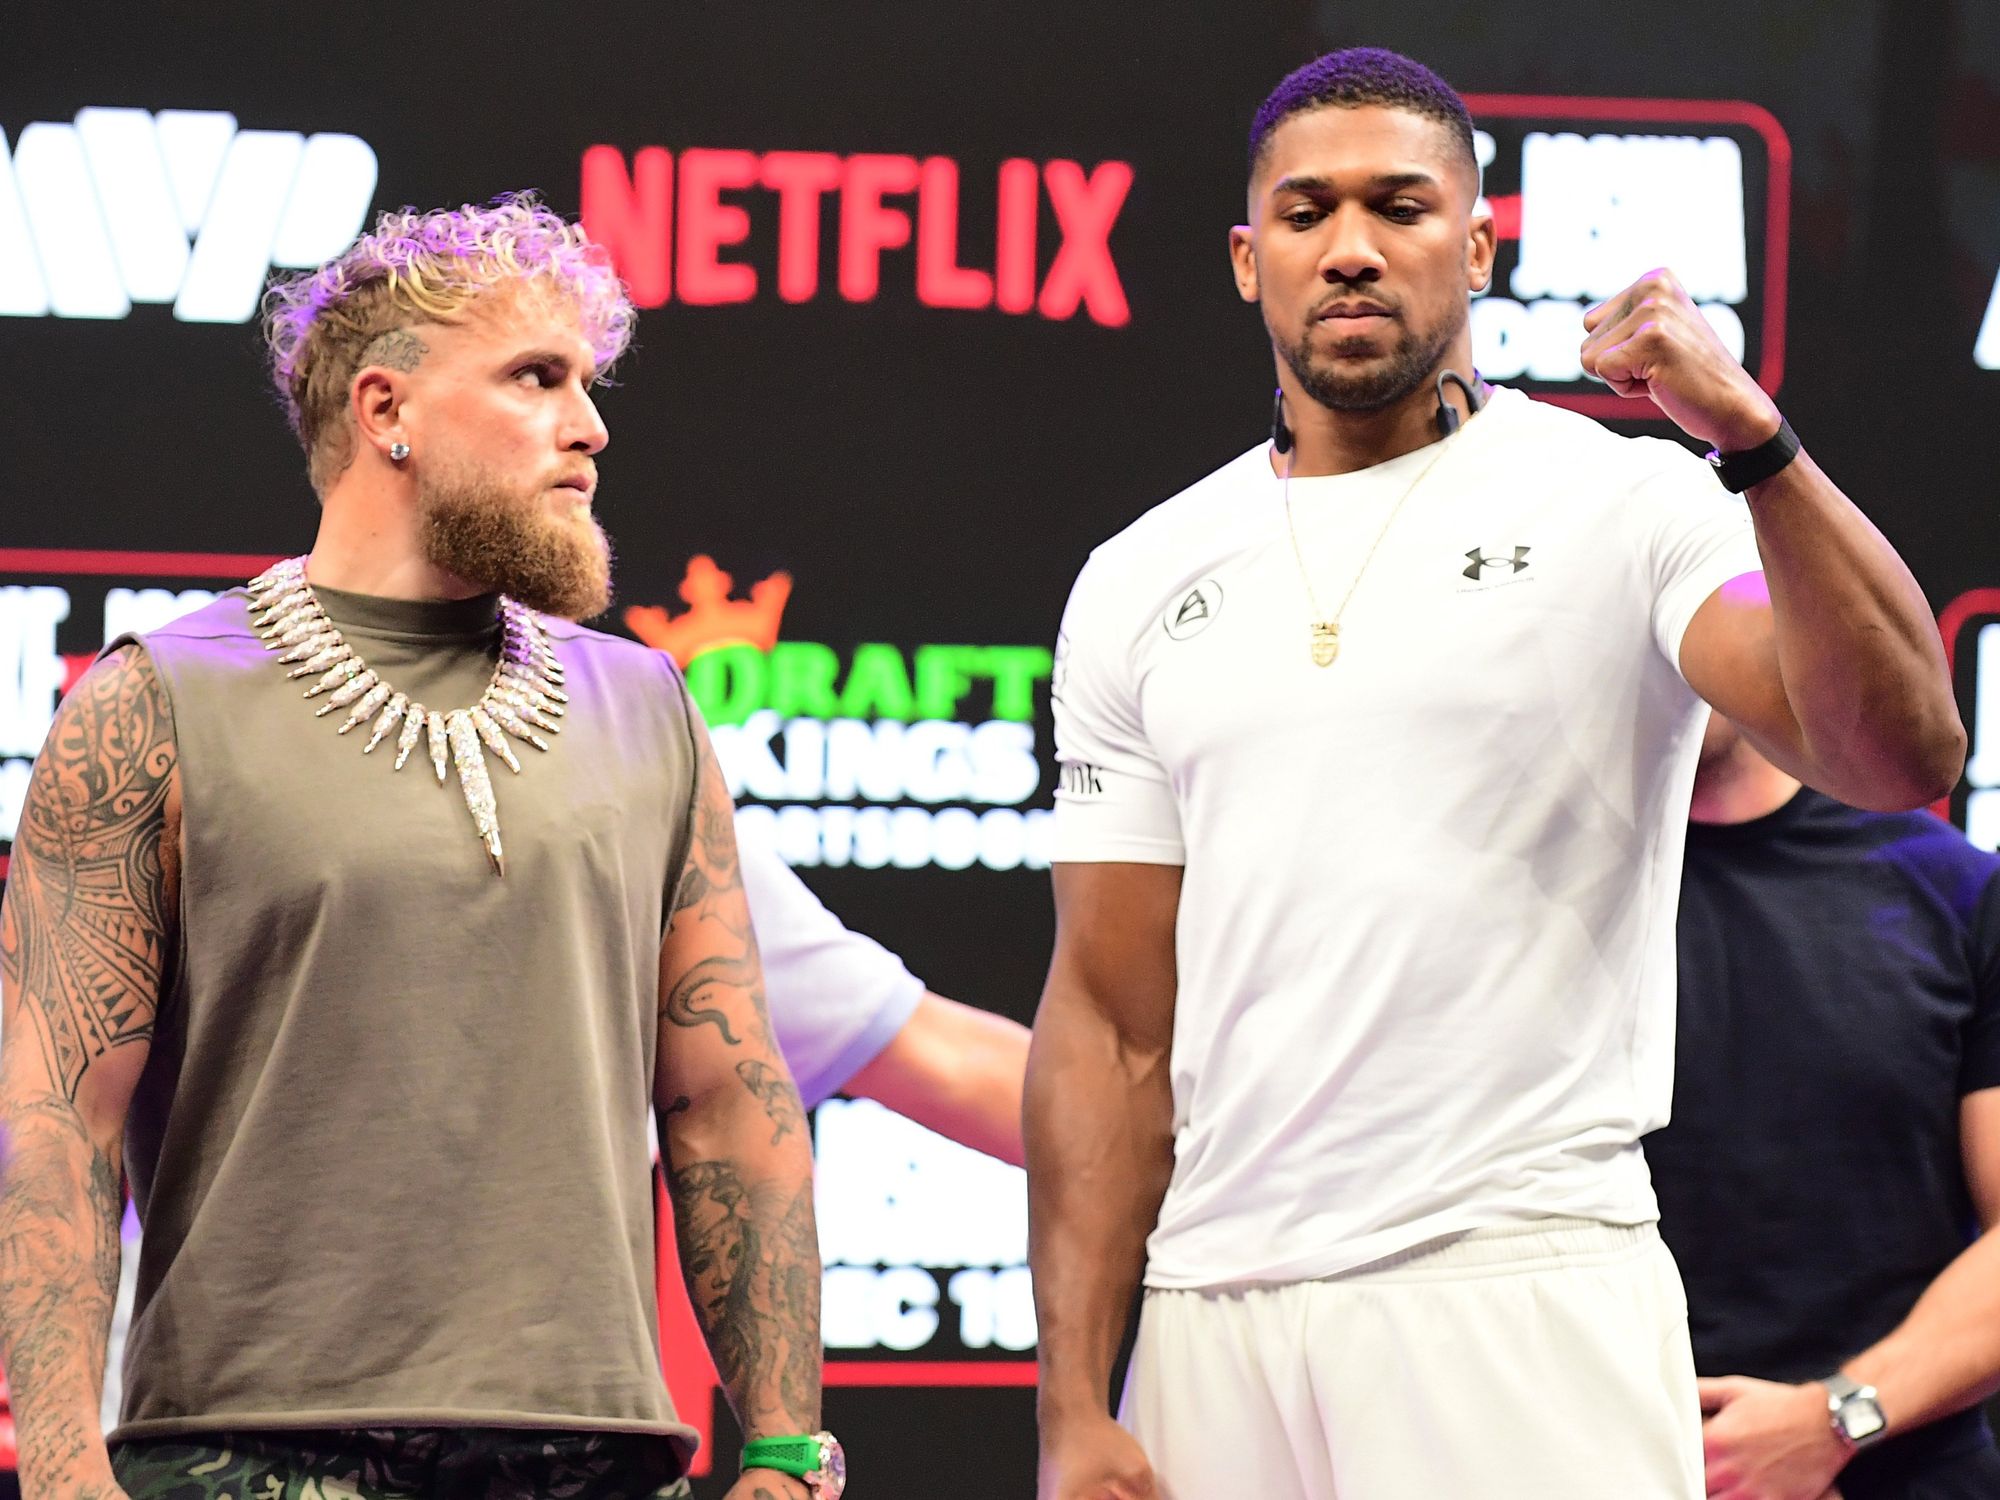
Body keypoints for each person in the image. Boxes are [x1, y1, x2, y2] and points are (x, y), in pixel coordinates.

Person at [1024, 46, 1963, 1500]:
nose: (1349, 249)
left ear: (1475, 245)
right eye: (1305, 212)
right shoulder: (1139, 577)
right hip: (1213, 1311)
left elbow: (1898, 752)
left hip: (1514, 1284)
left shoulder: (1626, 502)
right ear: (1243, 257)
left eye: (1399, 208)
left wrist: (1751, 440)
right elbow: (1104, 1015)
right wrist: (1074, 1402)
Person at [0, 195, 833, 1500]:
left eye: (588, 383)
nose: (590, 426)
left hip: (595, 1458)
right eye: (536, 378)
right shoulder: (150, 706)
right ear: (387, 412)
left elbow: (726, 1097)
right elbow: (54, 1119)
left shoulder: (647, 708)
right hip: (242, 1453)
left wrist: (785, 1452)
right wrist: (59, 1472)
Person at [1647, 714, 2000, 1500]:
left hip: (1898, 1470)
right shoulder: (1523, 903)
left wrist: (1835, 1419)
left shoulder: (1952, 886)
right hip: (1582, 1460)